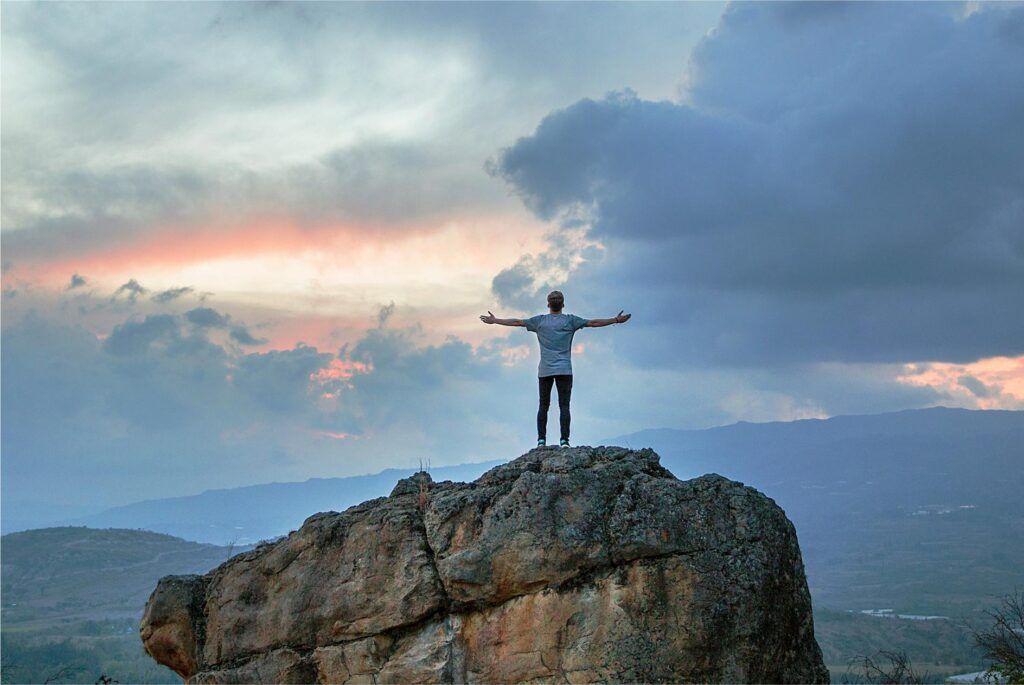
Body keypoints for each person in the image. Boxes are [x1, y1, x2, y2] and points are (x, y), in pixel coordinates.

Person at [480, 290, 631, 449]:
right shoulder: (571, 321)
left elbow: (517, 322)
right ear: (563, 304)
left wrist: (495, 320)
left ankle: (541, 441)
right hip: (565, 369)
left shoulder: (540, 321)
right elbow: (593, 323)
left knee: (543, 405)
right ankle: (564, 441)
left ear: (548, 304)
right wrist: (616, 320)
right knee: (564, 406)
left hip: (545, 370)